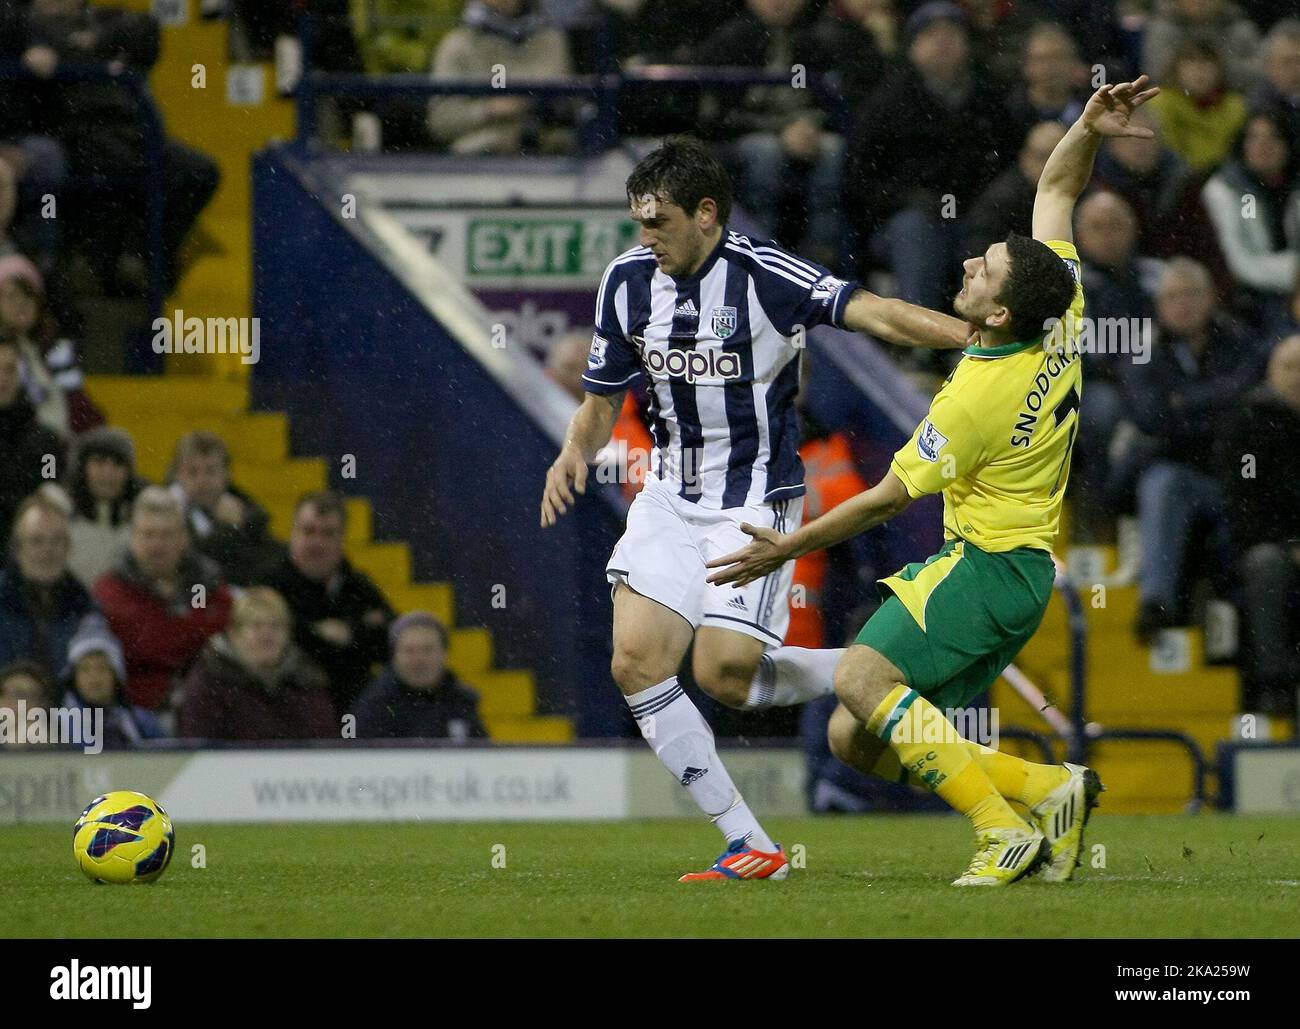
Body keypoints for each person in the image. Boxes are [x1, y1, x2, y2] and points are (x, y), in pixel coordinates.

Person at [710, 79, 1164, 886]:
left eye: (983, 271)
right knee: (859, 739)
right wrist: (1086, 125)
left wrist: (786, 548)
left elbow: (885, 499)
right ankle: (1048, 788)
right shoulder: (1057, 310)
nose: (968, 263)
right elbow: (1058, 186)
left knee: (856, 676)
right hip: (1019, 571)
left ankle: (1001, 832)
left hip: (987, 565)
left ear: (995, 316)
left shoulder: (972, 401)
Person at [540, 134, 976, 881]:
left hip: (752, 502)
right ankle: (751, 843)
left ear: (707, 213)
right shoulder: (626, 282)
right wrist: (575, 447)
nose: (647, 237)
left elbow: (877, 314)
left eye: (661, 222)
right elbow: (601, 399)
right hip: (669, 497)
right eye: (640, 222)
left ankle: (880, 668)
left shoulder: (766, 275)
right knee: (635, 661)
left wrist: (975, 337)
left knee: (727, 675)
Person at [1117, 258, 1267, 640]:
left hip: (1238, 479)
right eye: (1172, 296)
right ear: (1159, 305)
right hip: (1182, 473)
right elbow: (1151, 417)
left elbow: (1245, 403)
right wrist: (1213, 405)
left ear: (1211, 297)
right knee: (1162, 482)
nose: (1182, 304)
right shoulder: (1144, 350)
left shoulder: (1240, 339)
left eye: (1191, 294)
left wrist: (1184, 402)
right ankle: (1157, 604)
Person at [843, 2, 1020, 315]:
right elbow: (859, 179)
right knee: (914, 232)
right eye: (931, 35)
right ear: (912, 46)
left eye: (952, 34)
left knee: (994, 239)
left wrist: (980, 206)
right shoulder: (887, 102)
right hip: (903, 219)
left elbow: (1007, 166)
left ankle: (986, 328)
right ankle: (919, 332)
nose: (943, 43)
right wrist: (907, 199)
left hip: (975, 214)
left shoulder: (989, 101)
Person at [1215, 334, 1300, 715]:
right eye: (1290, 367)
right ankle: (1274, 685)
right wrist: (1289, 545)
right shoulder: (1248, 423)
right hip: (1268, 544)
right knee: (1265, 566)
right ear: (1271, 373)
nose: (1298, 376)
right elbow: (1242, 504)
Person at [94, 485, 233, 713]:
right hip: (134, 715)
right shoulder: (108, 595)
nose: (157, 545)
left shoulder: (211, 590)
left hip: (210, 712)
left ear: (184, 538)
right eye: (148, 534)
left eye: (167, 534)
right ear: (132, 537)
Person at [256, 492, 394, 715]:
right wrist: (354, 634)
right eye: (308, 531)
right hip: (286, 712)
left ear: (342, 538)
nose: (317, 542)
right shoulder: (268, 585)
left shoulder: (357, 585)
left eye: (328, 533)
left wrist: (348, 632)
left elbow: (390, 641)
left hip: (354, 713)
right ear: (293, 532)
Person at [179, 587, 336, 741]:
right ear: (234, 633)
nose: (267, 634)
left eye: (276, 626)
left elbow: (323, 741)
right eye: (256, 625)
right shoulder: (210, 681)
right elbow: (198, 744)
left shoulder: (307, 680)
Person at [426, 0, 574, 156]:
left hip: (551, 157)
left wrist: (536, 103)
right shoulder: (457, 45)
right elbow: (441, 122)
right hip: (482, 161)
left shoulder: (551, 39)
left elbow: (571, 106)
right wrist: (490, 109)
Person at [1202, 112, 1300, 312]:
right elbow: (1241, 261)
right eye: (1254, 137)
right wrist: (1293, 272)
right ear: (1243, 144)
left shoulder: (1294, 188)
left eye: (1273, 137)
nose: (1263, 145)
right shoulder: (1231, 192)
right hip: (1248, 300)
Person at [0, 489, 96, 677]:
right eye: (37, 541)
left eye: (56, 541)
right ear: (17, 548)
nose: (48, 551)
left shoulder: (86, 608)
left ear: (68, 548)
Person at [167, 431, 282, 585]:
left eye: (211, 471)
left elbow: (262, 565)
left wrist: (241, 526)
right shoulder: (163, 513)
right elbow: (191, 568)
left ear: (227, 474)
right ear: (177, 474)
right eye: (192, 472)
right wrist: (227, 529)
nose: (202, 480)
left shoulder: (250, 514)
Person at [355, 613, 490, 740]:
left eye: (428, 649)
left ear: (444, 654)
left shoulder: (462, 702)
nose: (419, 659)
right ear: (394, 656)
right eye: (409, 651)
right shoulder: (373, 707)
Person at [964, 121, 1067, 257]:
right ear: (1025, 157)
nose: (1049, 166)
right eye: (1042, 157)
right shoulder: (1002, 200)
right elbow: (979, 252)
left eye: (1059, 157)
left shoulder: (1079, 193)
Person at [60, 615, 165, 747]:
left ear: (116, 676)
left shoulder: (141, 722)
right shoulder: (60, 725)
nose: (94, 678)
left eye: (102, 668)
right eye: (85, 670)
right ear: (73, 677)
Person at [0, 333, 64, 542]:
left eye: (10, 369)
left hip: (28, 557)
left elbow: (50, 489)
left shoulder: (46, 443)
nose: (3, 377)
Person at [1149, 41, 1249, 173]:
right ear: (1176, 68)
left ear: (1219, 69)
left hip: (1227, 178)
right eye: (1191, 61)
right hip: (1175, 178)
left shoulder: (1236, 106)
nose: (1199, 70)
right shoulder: (1160, 102)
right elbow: (1167, 152)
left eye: (1207, 63)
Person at [64, 427, 143, 588]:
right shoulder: (60, 518)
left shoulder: (144, 523)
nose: (108, 473)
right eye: (99, 462)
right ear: (83, 468)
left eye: (118, 464)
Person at [1142, 0, 1262, 93]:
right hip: (1175, 102)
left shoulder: (1239, 28)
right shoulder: (1163, 28)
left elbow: (1259, 72)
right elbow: (1157, 72)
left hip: (1230, 102)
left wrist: (1217, 70)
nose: (1200, 1)